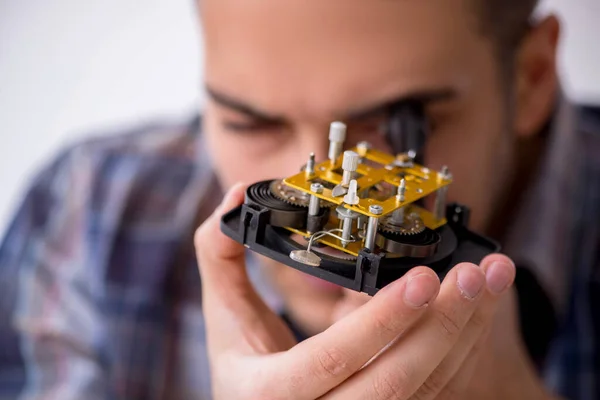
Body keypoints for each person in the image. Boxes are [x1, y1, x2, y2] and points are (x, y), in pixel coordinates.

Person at [0, 0, 599, 398]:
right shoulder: (83, 214)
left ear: (532, 79)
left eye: (397, 124)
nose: (318, 185)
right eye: (249, 123)